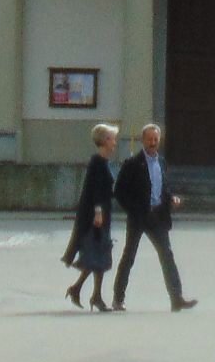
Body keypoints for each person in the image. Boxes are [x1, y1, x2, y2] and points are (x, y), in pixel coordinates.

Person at [112, 122, 198, 311]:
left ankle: (176, 299)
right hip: (139, 217)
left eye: (155, 139)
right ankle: (118, 298)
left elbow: (164, 188)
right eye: (149, 139)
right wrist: (134, 210)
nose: (152, 143)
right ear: (143, 140)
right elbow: (119, 191)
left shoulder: (162, 162)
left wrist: (171, 198)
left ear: (159, 141)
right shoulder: (132, 164)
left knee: (167, 256)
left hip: (158, 216)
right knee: (129, 256)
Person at [64, 123, 119, 310]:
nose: (115, 143)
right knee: (97, 255)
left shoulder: (103, 162)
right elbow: (95, 190)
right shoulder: (97, 163)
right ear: (105, 141)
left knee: (100, 255)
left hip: (103, 213)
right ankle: (84, 291)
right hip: (95, 216)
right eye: (113, 139)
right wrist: (97, 212)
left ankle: (89, 292)